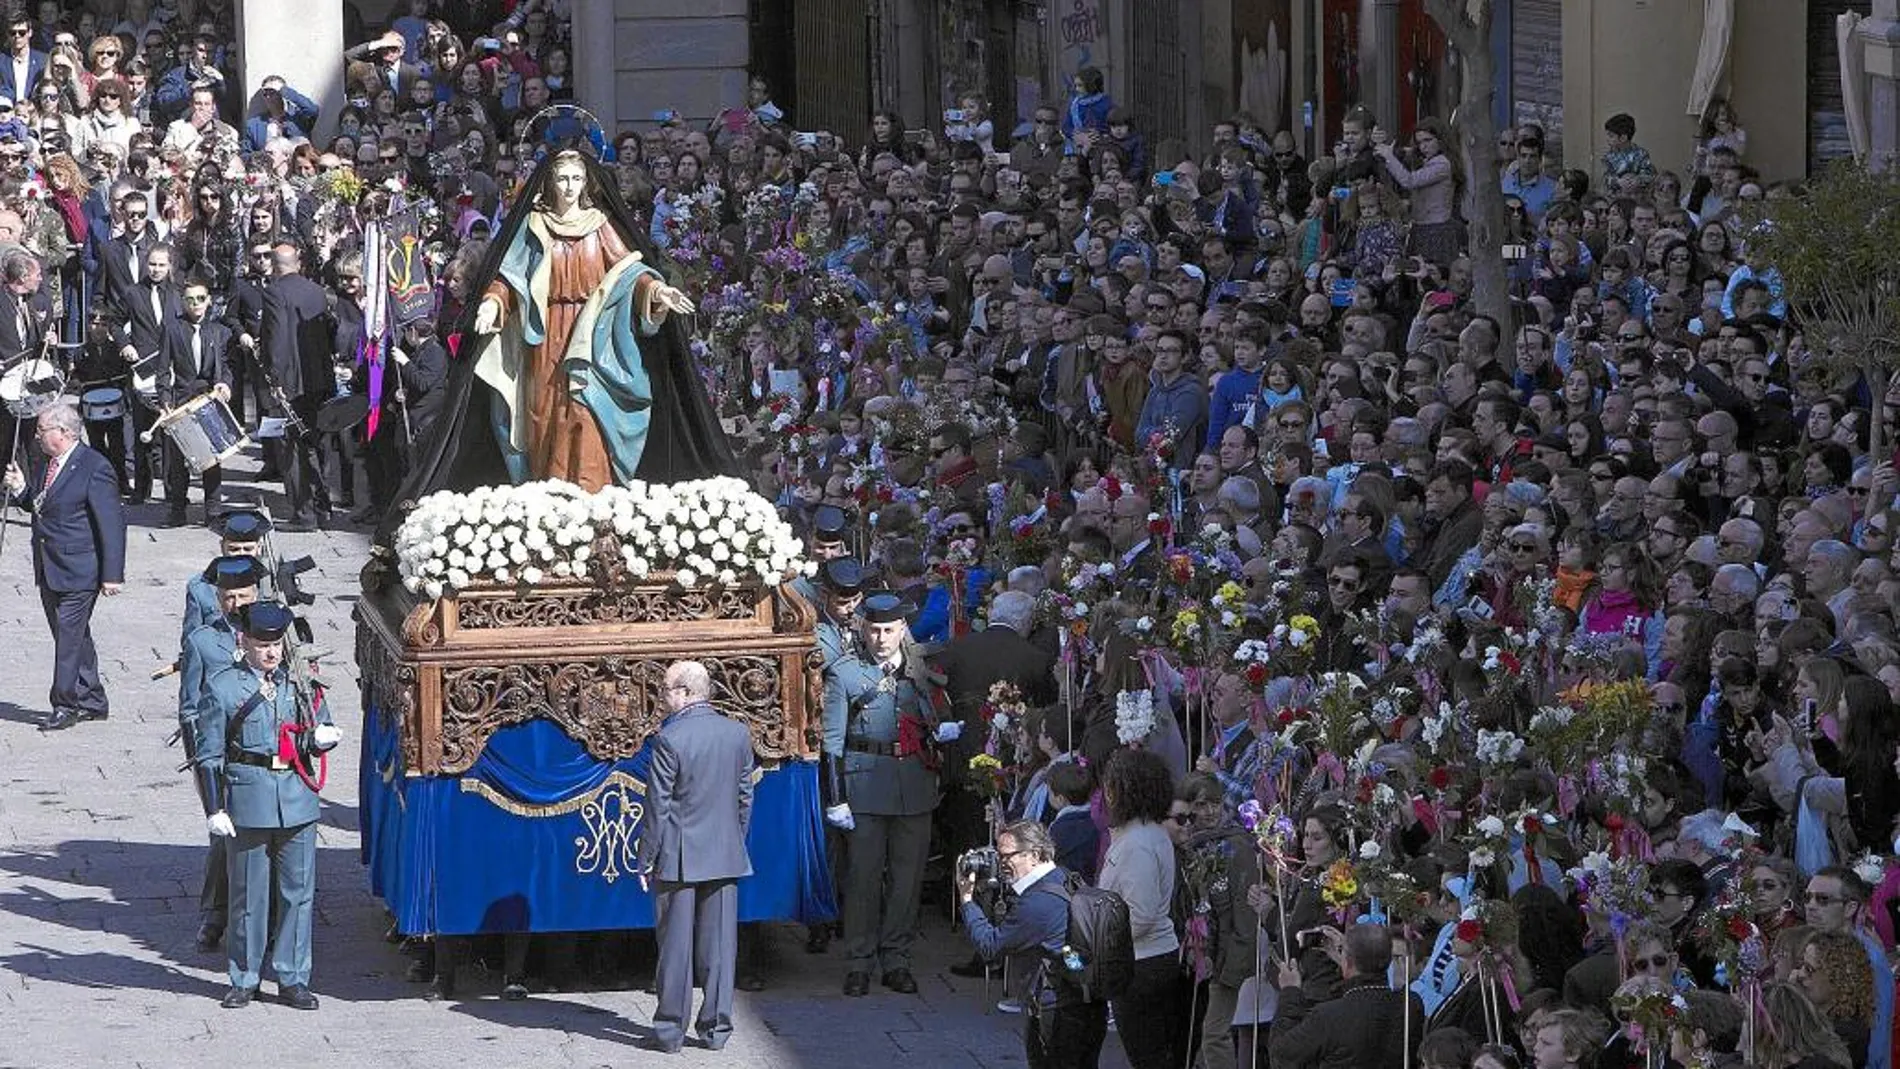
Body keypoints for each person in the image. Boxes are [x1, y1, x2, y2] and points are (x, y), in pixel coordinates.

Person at [467, 147, 705, 490]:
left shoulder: (600, 225)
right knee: (546, 413)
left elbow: (629, 271)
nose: (568, 187)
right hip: (545, 332)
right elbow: (511, 276)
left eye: (576, 179)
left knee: (587, 408)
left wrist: (656, 291)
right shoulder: (535, 224)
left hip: (594, 332)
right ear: (550, 181)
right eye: (562, 178)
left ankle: (592, 494)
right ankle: (549, 493)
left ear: (586, 183)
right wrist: (492, 302)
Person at [191, 602, 339, 1010]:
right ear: (244, 641)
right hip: (249, 796)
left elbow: (312, 731)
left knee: (298, 892)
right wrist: (214, 809)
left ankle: (293, 976)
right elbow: (209, 754)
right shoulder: (223, 688)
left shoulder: (301, 684)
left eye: (275, 645)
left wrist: (321, 738)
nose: (270, 653)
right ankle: (245, 976)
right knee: (248, 894)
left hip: (296, 796)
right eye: (261, 644)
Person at [822, 592, 950, 997]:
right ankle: (859, 961)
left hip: (913, 784)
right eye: (874, 630)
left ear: (901, 630)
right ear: (863, 628)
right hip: (863, 786)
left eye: (889, 631)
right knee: (862, 878)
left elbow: (934, 718)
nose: (881, 639)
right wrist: (836, 797)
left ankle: (896, 958)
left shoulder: (919, 670)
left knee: (907, 879)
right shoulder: (845, 674)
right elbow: (832, 743)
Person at [637, 660, 756, 1054]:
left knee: (675, 948)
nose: (662, 695)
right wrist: (734, 840)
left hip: (677, 856)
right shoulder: (737, 733)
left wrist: (646, 858)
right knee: (720, 949)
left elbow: (659, 806)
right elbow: (744, 797)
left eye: (667, 689)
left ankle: (670, 1032)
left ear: (687, 692)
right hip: (724, 853)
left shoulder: (670, 739)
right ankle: (716, 1031)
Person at [4, 401, 125, 731]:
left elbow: (111, 524)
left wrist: (112, 575)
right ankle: (93, 698)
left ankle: (64, 703)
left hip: (80, 568)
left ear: (65, 432)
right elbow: (42, 504)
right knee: (70, 634)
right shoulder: (49, 463)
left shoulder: (93, 467)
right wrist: (20, 490)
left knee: (68, 637)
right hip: (50, 565)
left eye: (43, 430)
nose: (38, 436)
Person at [960, 819, 1110, 1069]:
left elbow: (990, 946)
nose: (1001, 864)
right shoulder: (1064, 877)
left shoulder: (1037, 904)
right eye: (998, 855)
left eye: (1007, 856)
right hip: (1086, 1003)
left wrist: (967, 900)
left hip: (1056, 1013)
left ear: (1034, 855)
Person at [176, 553, 262, 952]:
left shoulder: (273, 633)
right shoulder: (204, 641)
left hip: (262, 749)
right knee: (223, 835)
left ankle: (264, 913)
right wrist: (200, 757)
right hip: (219, 753)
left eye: (243, 596)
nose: (236, 604)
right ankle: (214, 913)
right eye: (228, 597)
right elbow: (189, 704)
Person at [1269, 922, 1425, 1069]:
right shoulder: (1410, 1004)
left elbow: (1281, 1056)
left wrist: (1290, 992)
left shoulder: (1328, 1016)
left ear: (1348, 963)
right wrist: (1346, 960)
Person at [258, 241, 333, 530]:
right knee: (316, 444)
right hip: (318, 379)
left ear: (275, 266)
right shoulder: (316, 290)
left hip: (290, 382)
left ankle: (304, 513)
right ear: (298, 263)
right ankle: (324, 507)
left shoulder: (274, 292)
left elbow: (276, 337)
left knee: (291, 449)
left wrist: (274, 379)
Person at [158, 276, 234, 528]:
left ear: (209, 301)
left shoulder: (220, 332)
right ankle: (177, 508)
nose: (196, 304)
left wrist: (225, 383)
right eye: (190, 300)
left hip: (208, 399)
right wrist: (165, 399)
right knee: (178, 461)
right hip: (181, 399)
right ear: (183, 302)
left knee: (211, 458)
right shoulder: (172, 328)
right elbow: (163, 369)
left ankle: (213, 511)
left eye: (201, 299)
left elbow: (226, 367)